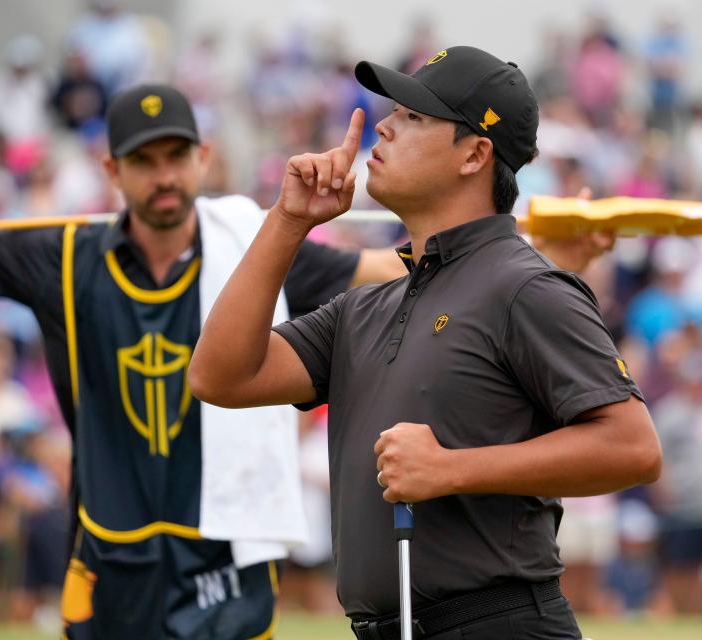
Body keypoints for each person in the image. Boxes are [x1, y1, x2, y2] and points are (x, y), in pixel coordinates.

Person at [190, 46, 662, 639]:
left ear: (475, 154)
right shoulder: (367, 304)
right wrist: (288, 221)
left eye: (415, 117)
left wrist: (451, 468)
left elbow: (633, 447)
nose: (383, 125)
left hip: (500, 625)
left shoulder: (525, 286)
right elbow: (220, 376)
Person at [0, 83, 404, 639]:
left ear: (202, 159)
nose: (164, 176)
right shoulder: (65, 255)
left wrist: (497, 240)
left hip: (223, 547)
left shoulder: (253, 251)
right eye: (143, 161)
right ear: (111, 171)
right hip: (109, 547)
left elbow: (386, 266)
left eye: (176, 156)